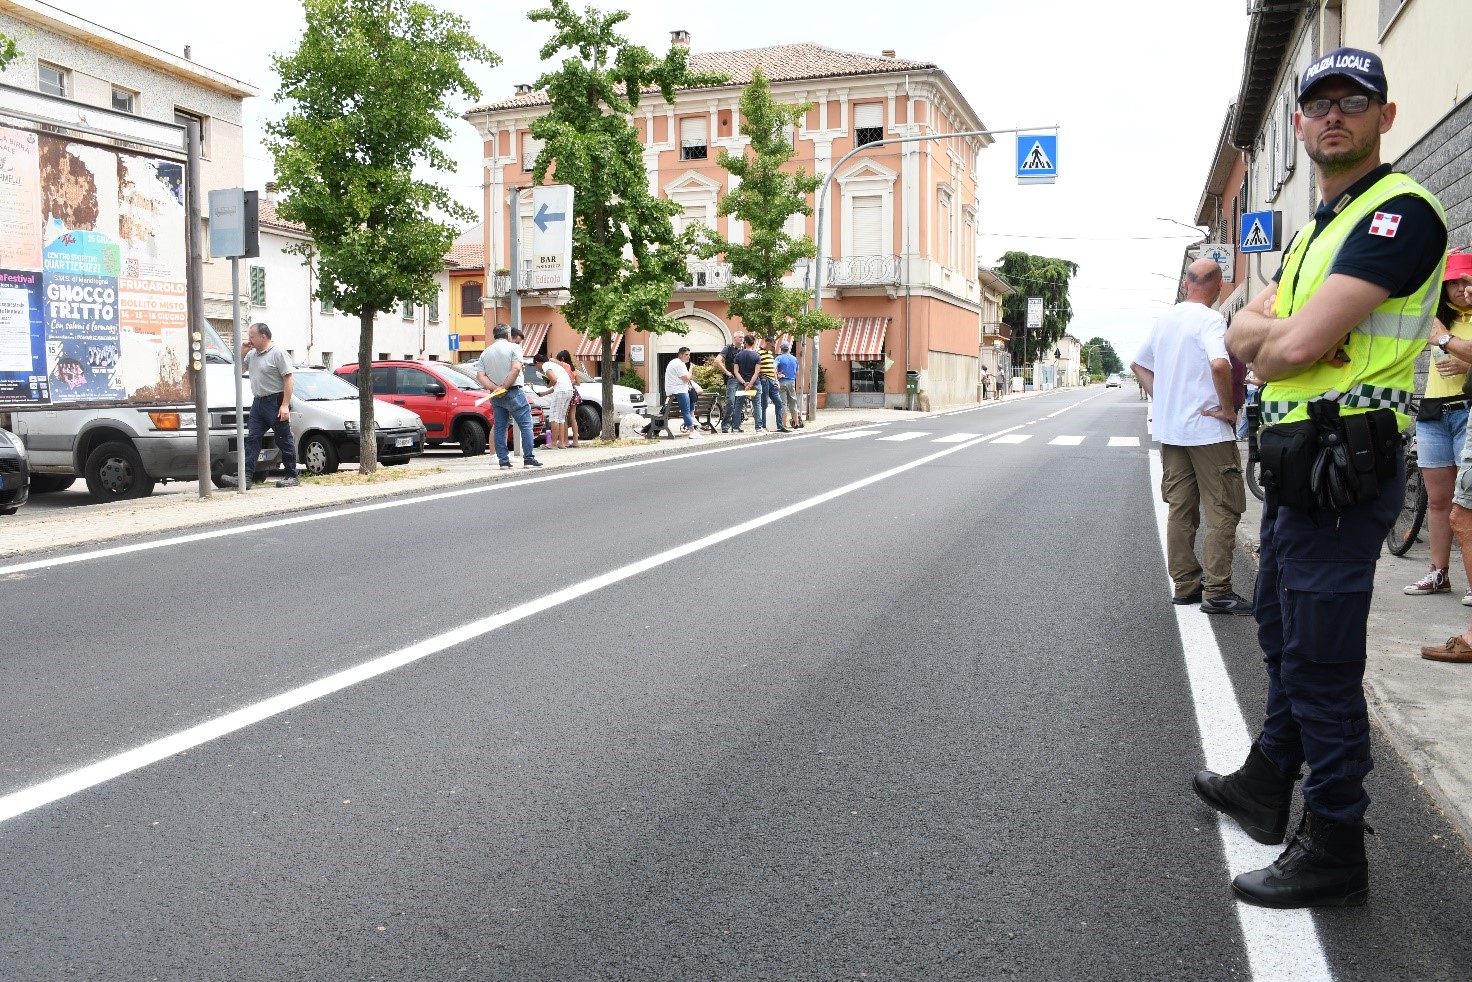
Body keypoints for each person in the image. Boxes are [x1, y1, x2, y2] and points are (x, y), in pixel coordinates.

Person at [1203, 48, 1447, 909]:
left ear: (1385, 116)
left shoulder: (1398, 213)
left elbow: (1289, 344)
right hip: (1299, 463)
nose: (1333, 114)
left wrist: (1268, 335)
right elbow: (1239, 332)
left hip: (1346, 464)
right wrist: (1260, 334)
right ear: (1301, 123)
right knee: (1279, 627)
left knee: (1320, 659)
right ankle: (1269, 781)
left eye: (1354, 100)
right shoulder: (1313, 229)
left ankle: (1337, 841)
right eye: (1319, 104)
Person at [1130, 258, 1252, 615]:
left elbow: (1138, 364)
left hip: (1172, 433)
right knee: (1222, 508)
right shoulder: (1212, 319)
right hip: (1208, 432)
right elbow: (1219, 364)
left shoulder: (1165, 320)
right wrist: (1228, 410)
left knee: (1181, 509)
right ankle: (1218, 591)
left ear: (1186, 284)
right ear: (1217, 286)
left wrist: (1165, 399)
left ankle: (1185, 587)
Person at [1404, 252, 1472, 600]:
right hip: (1433, 413)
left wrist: (1466, 366)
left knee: (1467, 504)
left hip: (1467, 412)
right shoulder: (1437, 321)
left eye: (1466, 281)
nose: (1460, 288)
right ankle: (1438, 573)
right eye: (1453, 282)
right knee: (1438, 500)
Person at [221, 322, 298, 489]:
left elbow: (289, 379)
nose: (249, 339)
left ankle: (291, 475)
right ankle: (246, 478)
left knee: (283, 438)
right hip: (258, 402)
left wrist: (285, 405)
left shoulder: (278, 353)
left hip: (275, 401)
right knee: (252, 439)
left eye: (252, 336)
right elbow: (238, 372)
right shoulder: (252, 355)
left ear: (263, 337)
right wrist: (241, 354)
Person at [476, 324, 542, 469]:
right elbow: (516, 368)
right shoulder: (514, 348)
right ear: (508, 335)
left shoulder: (485, 352)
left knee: (500, 427)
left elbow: (480, 375)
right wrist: (505, 386)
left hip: (496, 396)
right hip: (514, 391)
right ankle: (529, 459)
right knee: (526, 424)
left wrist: (495, 389)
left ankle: (503, 461)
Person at [535, 352, 575, 449]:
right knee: (561, 418)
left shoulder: (545, 365)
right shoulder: (554, 365)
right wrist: (544, 393)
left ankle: (553, 443)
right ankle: (561, 443)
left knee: (554, 417)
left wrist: (548, 385)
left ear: (537, 362)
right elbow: (559, 384)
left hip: (561, 392)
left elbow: (554, 380)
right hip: (569, 391)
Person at [663, 346, 701, 438]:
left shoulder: (675, 362)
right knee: (686, 411)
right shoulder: (679, 364)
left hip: (676, 390)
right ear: (680, 355)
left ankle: (692, 418)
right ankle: (692, 431)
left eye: (689, 355)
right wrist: (691, 369)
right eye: (686, 355)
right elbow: (686, 378)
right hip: (679, 390)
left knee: (691, 394)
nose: (688, 357)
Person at [755, 336, 788, 433]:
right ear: (767, 343)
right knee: (764, 403)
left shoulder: (770, 353)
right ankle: (763, 426)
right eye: (772, 345)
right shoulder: (758, 353)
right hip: (764, 380)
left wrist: (776, 380)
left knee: (779, 402)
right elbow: (757, 368)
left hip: (772, 380)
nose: (772, 348)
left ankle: (780, 425)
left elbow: (773, 368)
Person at [715, 331, 745, 433]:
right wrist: (727, 372)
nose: (741, 339)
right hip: (732, 379)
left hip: (742, 379)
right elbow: (717, 360)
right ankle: (725, 425)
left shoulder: (744, 350)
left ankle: (736, 425)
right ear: (734, 337)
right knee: (731, 402)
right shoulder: (728, 348)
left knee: (739, 403)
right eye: (740, 337)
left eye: (743, 337)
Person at [731, 333, 761, 433]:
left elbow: (736, 371)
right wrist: (750, 384)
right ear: (753, 343)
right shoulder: (757, 356)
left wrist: (744, 383)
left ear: (745, 343)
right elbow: (757, 372)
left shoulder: (738, 355)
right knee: (757, 404)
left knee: (738, 405)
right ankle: (758, 427)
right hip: (755, 383)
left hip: (741, 384)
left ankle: (735, 427)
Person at [555, 349, 582, 446]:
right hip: (574, 392)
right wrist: (572, 382)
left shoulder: (564, 366)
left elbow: (552, 360)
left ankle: (565, 441)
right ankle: (576, 441)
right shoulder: (573, 368)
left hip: (566, 391)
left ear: (562, 359)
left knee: (564, 417)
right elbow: (578, 383)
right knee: (573, 418)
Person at [777, 342, 803, 429]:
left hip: (781, 382)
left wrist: (777, 374)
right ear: (789, 348)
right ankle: (796, 423)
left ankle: (784, 424)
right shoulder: (794, 359)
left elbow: (774, 366)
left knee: (783, 404)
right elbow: (797, 373)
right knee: (793, 402)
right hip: (791, 382)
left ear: (781, 349)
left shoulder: (779, 358)